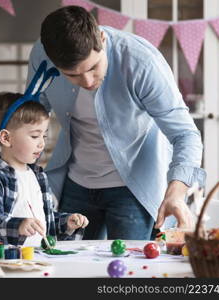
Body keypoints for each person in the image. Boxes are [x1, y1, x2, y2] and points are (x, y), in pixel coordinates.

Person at [26, 5, 206, 240]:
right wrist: (18, 175)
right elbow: (30, 118)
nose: (88, 81)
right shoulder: (42, 55)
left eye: (93, 67)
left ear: (101, 38)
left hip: (133, 187)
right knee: (69, 265)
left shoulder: (141, 62)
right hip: (75, 181)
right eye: (73, 75)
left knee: (127, 267)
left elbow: (185, 135)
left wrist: (176, 193)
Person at [0, 89, 89, 247]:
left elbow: (42, 220)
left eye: (44, 136)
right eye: (35, 136)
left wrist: (66, 222)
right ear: (6, 138)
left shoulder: (38, 175)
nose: (42, 143)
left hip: (40, 258)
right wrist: (19, 226)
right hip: (9, 262)